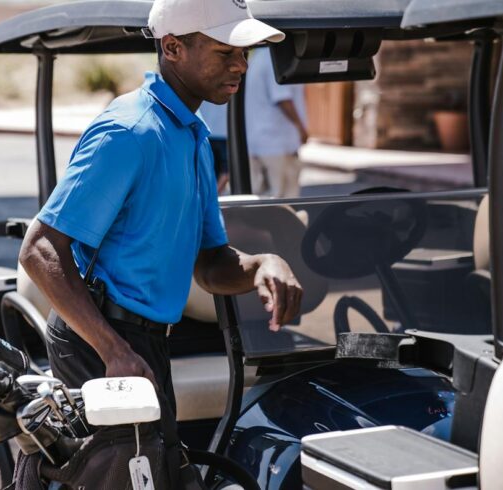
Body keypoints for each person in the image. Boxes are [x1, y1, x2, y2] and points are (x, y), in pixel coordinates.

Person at [18, 0, 303, 485]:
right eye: (225, 51)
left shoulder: (190, 135)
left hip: (143, 341)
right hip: (101, 339)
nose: (241, 64)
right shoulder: (129, 132)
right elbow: (40, 249)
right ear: (172, 47)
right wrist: (113, 349)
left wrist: (261, 265)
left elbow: (210, 263)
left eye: (243, 51)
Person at [245, 46, 308, 198]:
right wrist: (301, 128)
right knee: (283, 200)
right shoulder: (277, 59)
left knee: (261, 200)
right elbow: (282, 98)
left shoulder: (257, 58)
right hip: (277, 143)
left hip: (258, 141)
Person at [199, 100, 231, 193]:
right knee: (225, 171)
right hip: (223, 133)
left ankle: (212, 196)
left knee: (209, 172)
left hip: (206, 133)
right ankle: (213, 196)